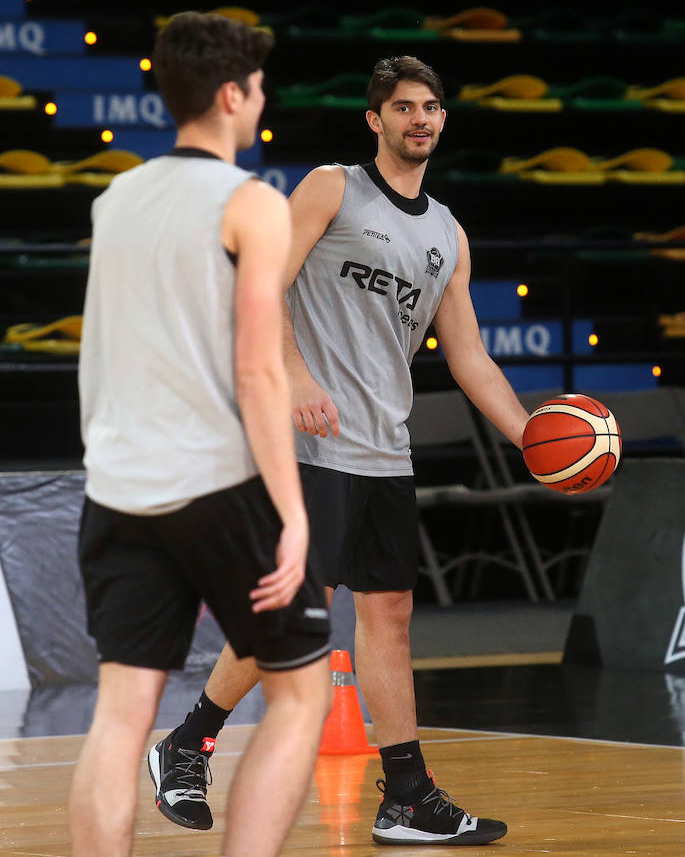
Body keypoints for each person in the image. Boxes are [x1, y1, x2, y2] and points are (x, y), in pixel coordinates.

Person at [150, 55, 529, 846]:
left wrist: (530, 437)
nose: (419, 119)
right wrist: (292, 376)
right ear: (375, 120)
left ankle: (406, 797)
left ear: (442, 120)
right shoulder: (333, 186)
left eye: (430, 107)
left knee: (388, 616)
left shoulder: (447, 233)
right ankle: (187, 745)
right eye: (402, 107)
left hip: (382, 447)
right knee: (296, 609)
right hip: (307, 437)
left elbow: (468, 357)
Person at [69, 11, 331, 857]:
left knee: (120, 712)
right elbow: (258, 371)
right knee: (299, 694)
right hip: (214, 484)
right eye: (256, 88)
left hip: (115, 489)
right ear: (231, 93)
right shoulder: (250, 201)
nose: (260, 102)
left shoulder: (116, 198)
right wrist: (291, 513)